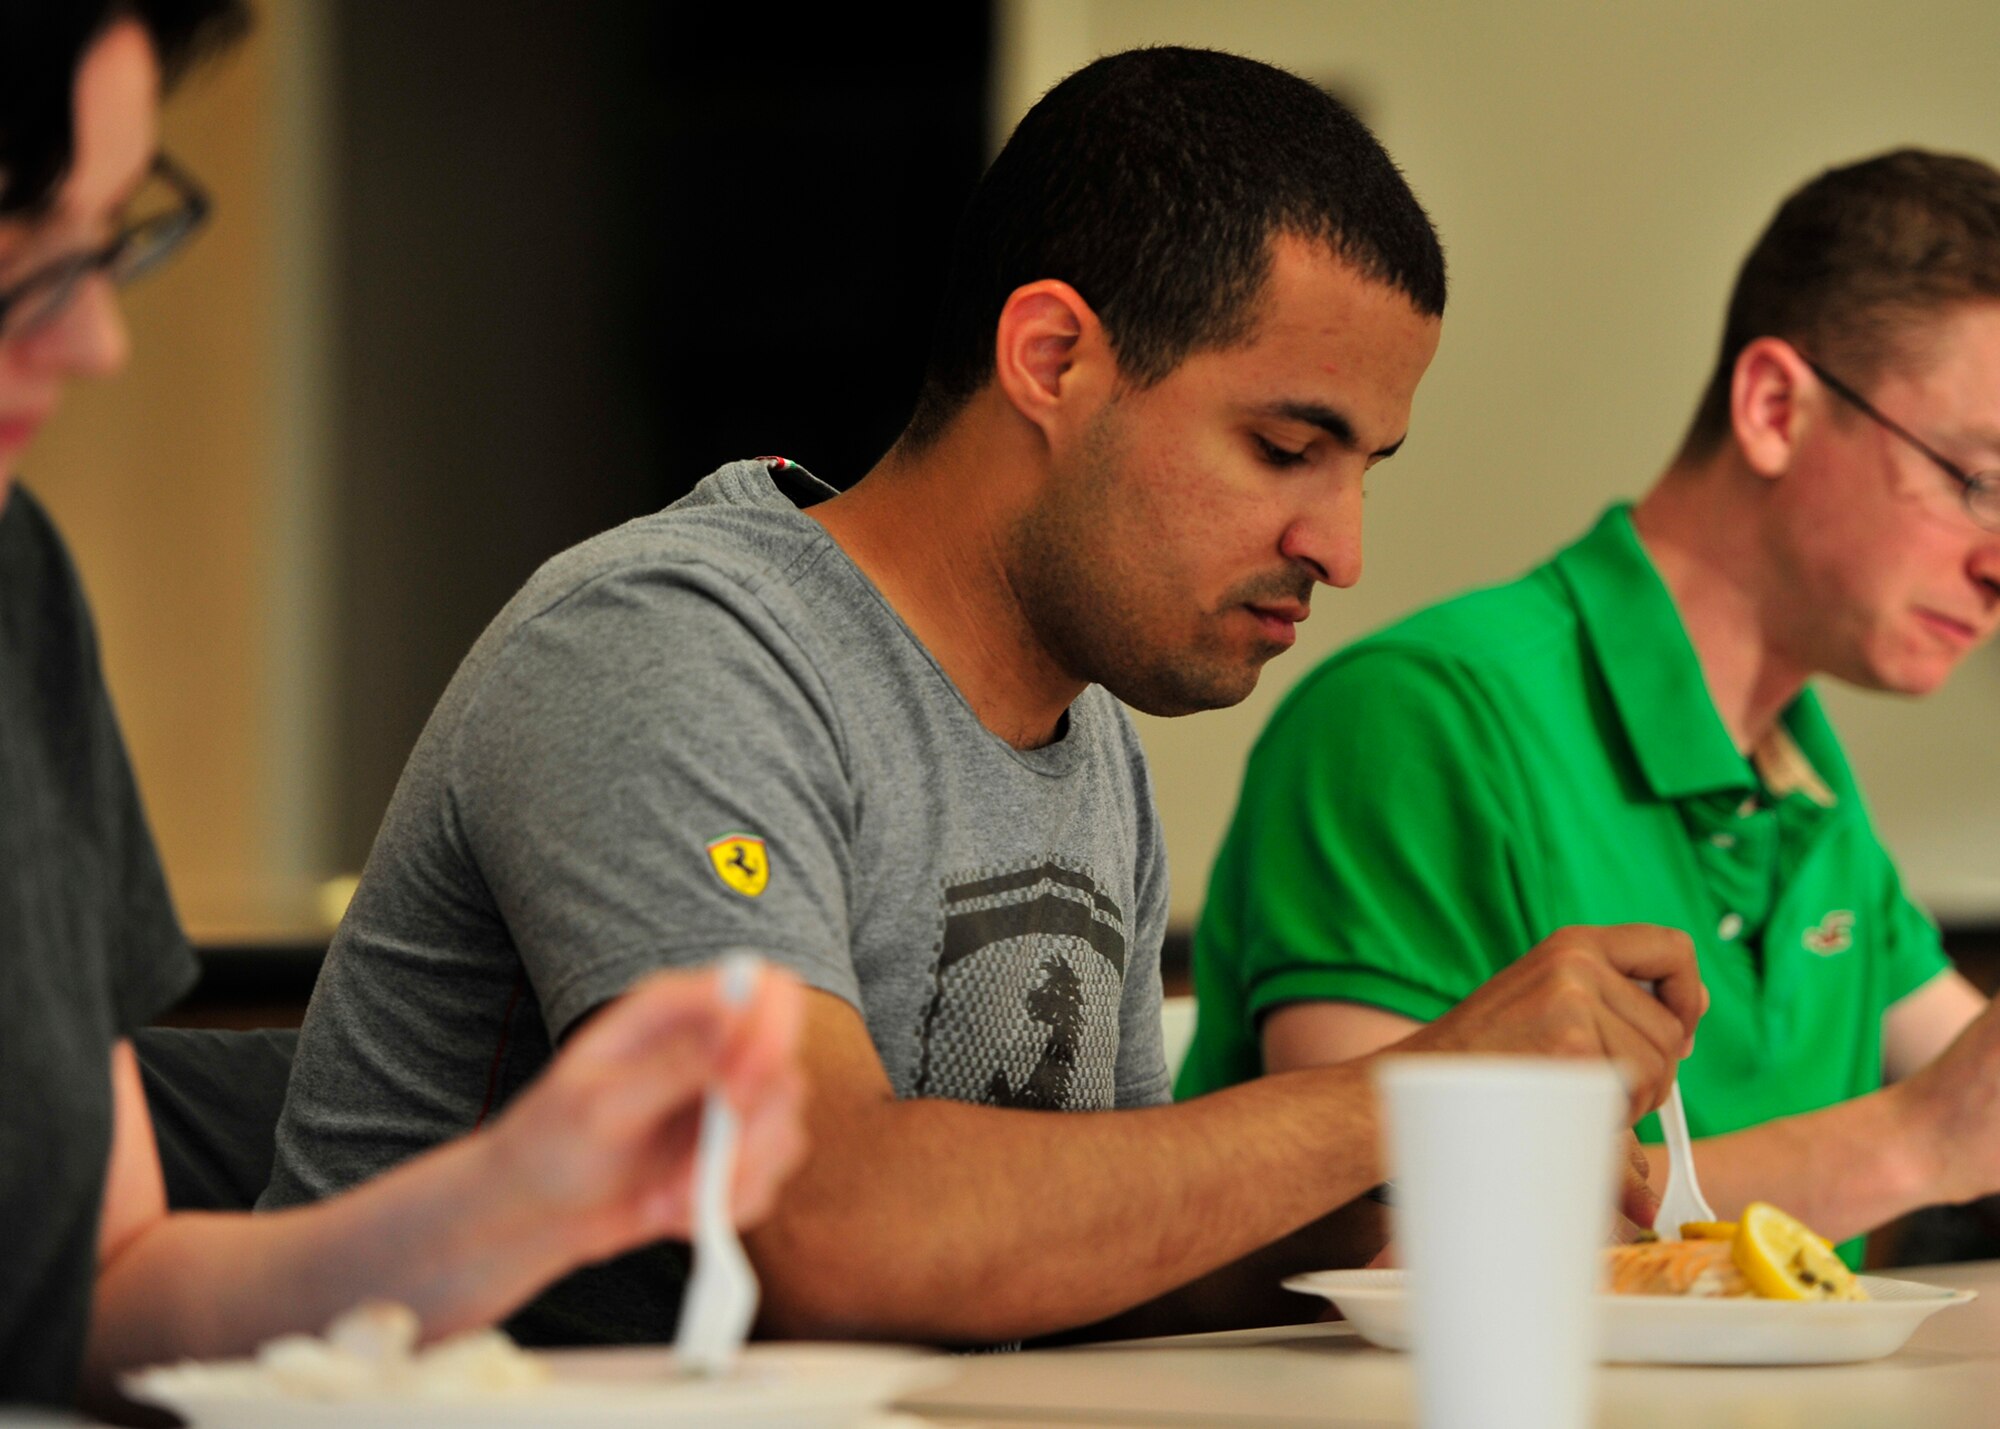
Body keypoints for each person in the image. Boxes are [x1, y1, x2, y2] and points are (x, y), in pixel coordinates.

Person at [264, 45, 1706, 1348]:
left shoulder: (1092, 752)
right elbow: (828, 1229)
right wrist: (1427, 1084)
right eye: (1285, 448)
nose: (1341, 547)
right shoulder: (670, 645)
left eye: (1363, 469)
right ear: (1053, 360)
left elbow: (1097, 1261)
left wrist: (1436, 1179)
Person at [0, 3, 808, 1410]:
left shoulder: (17, 591)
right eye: (22, 242)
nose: (95, 339)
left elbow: (107, 1290)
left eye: (109, 233)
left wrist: (523, 1195)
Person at [1178, 147, 2000, 1267]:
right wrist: (1906, 1146)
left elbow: (1975, 1090)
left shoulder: (1800, 775)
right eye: (1978, 480)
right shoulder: (1418, 720)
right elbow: (1388, 1252)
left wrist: (1942, 1129)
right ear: (1771, 408)